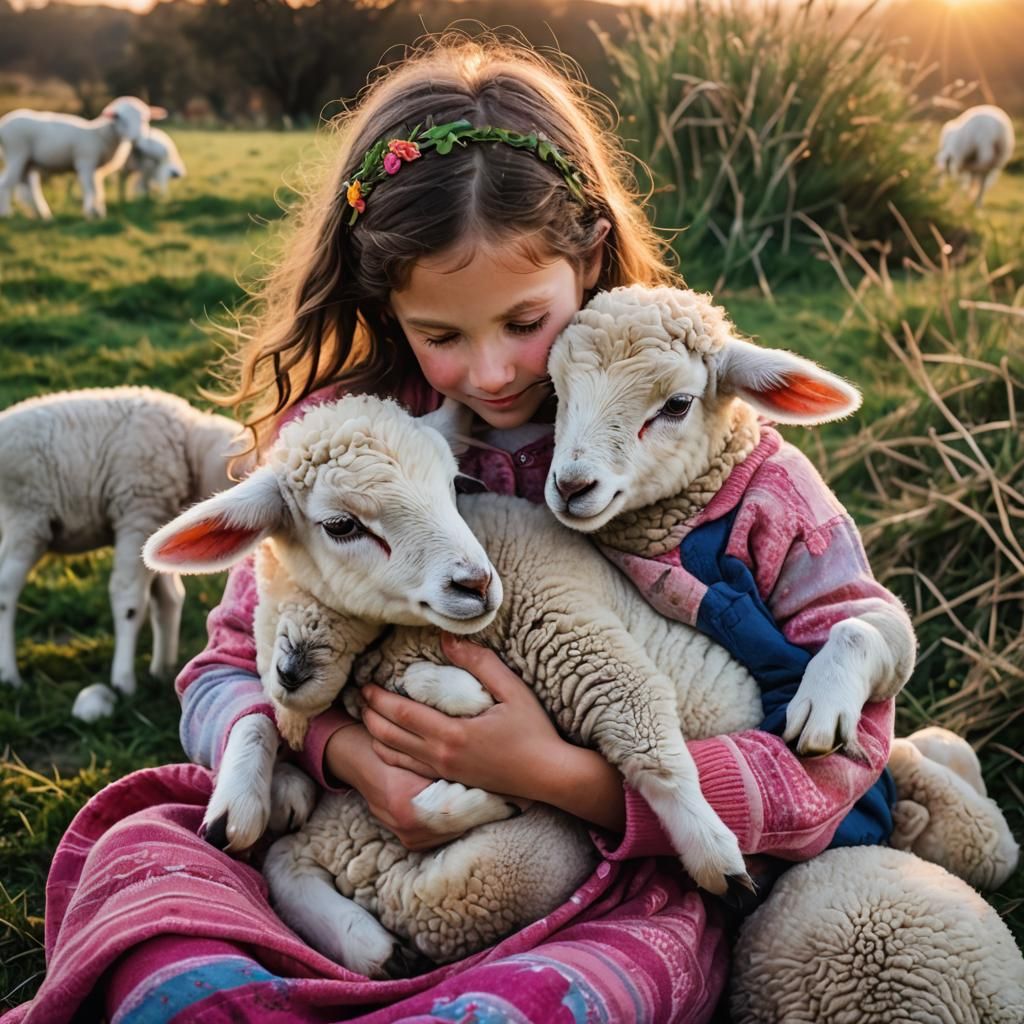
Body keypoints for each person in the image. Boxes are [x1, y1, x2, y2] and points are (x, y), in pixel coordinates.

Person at [2, 33, 899, 1024]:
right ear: (384, 300)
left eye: (524, 320)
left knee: (559, 995)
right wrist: (348, 756)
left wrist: (566, 777)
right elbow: (226, 665)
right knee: (153, 896)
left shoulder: (714, 458)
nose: (493, 371)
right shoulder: (351, 447)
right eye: (441, 335)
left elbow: (845, 738)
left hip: (615, 864)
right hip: (353, 827)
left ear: (588, 254)